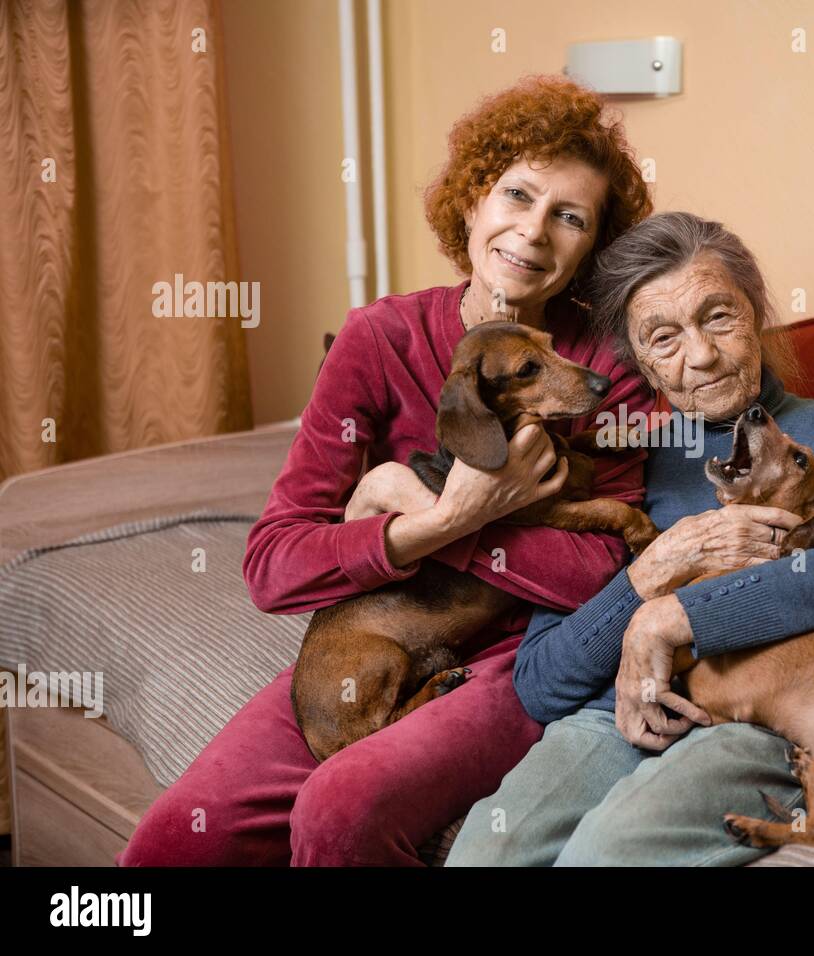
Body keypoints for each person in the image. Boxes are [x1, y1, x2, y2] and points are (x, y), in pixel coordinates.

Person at [116, 75, 656, 866]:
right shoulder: (381, 338)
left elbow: (611, 571)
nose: (533, 232)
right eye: (516, 195)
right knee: (170, 844)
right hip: (377, 641)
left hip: (515, 659)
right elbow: (272, 566)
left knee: (341, 812)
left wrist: (458, 520)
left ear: (592, 249)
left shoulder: (608, 364)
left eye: (568, 217)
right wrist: (435, 523)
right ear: (472, 201)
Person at [445, 211, 814, 866]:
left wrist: (672, 618)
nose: (702, 355)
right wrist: (644, 582)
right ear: (641, 365)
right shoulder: (616, 459)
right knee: (486, 854)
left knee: (606, 854)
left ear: (756, 311)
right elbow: (542, 679)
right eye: (664, 337)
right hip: (613, 712)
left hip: (765, 714)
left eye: (719, 317)